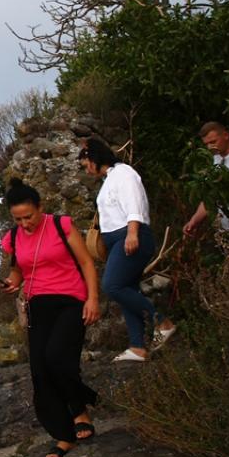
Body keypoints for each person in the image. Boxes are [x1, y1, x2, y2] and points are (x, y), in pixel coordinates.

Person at [0, 179, 101, 457]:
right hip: (37, 305)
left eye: (29, 216)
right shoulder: (14, 237)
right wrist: (11, 283)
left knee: (57, 358)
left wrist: (93, 299)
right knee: (40, 371)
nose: (25, 223)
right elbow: (19, 271)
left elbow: (86, 263)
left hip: (70, 300)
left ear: (40, 208)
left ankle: (80, 409)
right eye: (18, 219)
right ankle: (63, 435)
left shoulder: (61, 225)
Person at [79, 139, 176, 362]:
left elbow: (134, 205)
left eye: (86, 164)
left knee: (112, 285)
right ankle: (137, 347)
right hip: (117, 241)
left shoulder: (124, 173)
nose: (86, 169)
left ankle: (162, 321)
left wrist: (132, 233)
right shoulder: (109, 179)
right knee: (125, 289)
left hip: (131, 236)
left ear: (94, 159)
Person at [183, 122, 229, 236]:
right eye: (206, 144)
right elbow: (210, 197)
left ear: (226, 135)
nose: (210, 147)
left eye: (213, 142)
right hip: (226, 231)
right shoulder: (214, 161)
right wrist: (194, 220)